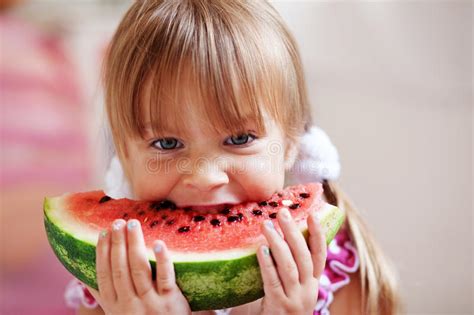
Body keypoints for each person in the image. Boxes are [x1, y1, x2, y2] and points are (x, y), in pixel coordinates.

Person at [67, 1, 400, 314]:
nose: (205, 176)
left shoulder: (341, 278)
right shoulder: (112, 289)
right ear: (123, 155)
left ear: (290, 143)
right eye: (167, 143)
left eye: (239, 139)